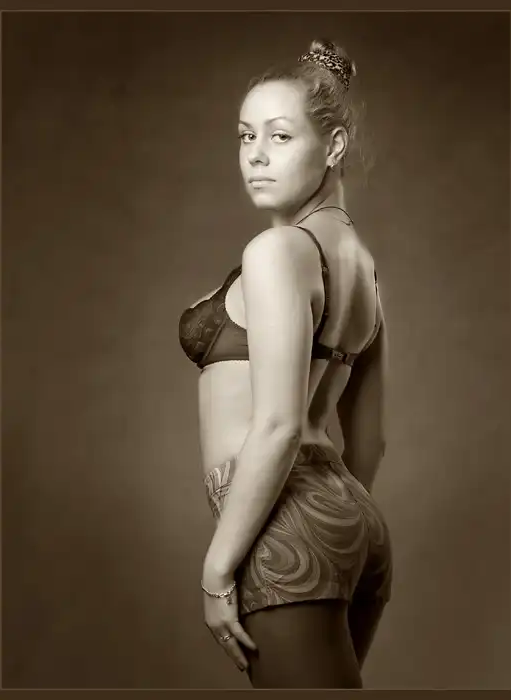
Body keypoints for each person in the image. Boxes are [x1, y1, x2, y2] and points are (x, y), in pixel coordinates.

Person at [178, 38, 392, 689]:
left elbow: (276, 425)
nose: (256, 155)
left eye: (280, 136)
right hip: (354, 523)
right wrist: (338, 530)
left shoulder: (277, 252)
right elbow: (371, 441)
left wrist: (218, 570)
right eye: (246, 136)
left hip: (284, 524)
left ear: (333, 147)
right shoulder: (364, 269)